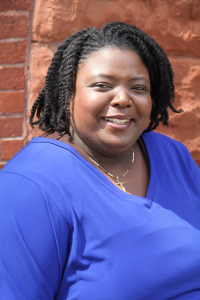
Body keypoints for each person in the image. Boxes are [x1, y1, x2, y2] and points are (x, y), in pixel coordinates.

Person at [0, 21, 200, 300]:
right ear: (67, 93)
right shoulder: (29, 186)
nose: (122, 99)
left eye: (138, 88)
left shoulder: (173, 156)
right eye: (102, 85)